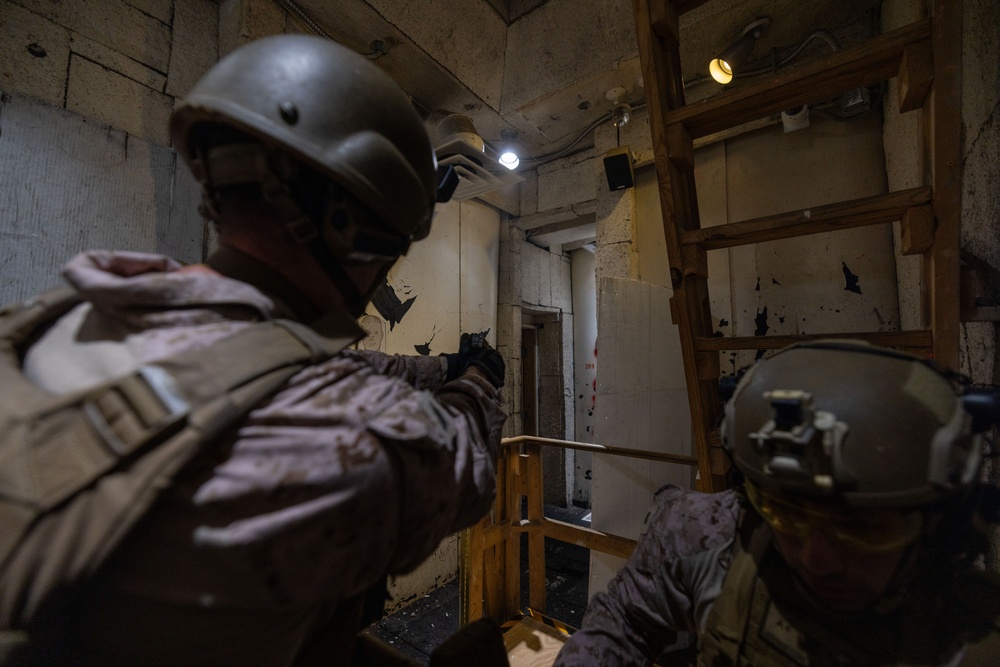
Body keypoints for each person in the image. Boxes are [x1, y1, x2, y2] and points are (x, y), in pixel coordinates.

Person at [0, 35, 506, 665]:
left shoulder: (65, 316)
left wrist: (442, 367)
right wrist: (479, 382)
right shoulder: (348, 432)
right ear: (354, 230)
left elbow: (296, 368)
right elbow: (467, 470)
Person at [555, 341, 1000, 666]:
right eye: (786, 514)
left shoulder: (972, 633)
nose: (817, 559)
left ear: (935, 520)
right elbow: (623, 621)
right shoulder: (707, 534)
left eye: (862, 529)